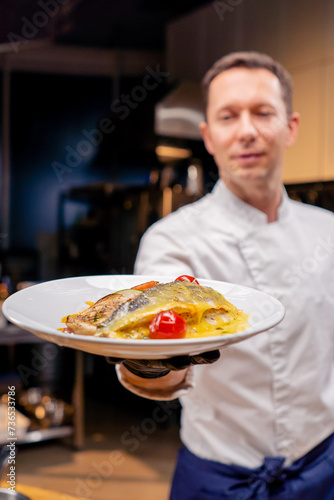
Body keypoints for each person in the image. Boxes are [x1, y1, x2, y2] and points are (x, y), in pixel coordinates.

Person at [114, 51, 334, 499]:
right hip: (219, 478)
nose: (248, 131)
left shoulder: (327, 230)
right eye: (229, 116)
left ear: (290, 127)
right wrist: (149, 361)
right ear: (209, 135)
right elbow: (153, 361)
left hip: (324, 467)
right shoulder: (172, 238)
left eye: (263, 113)